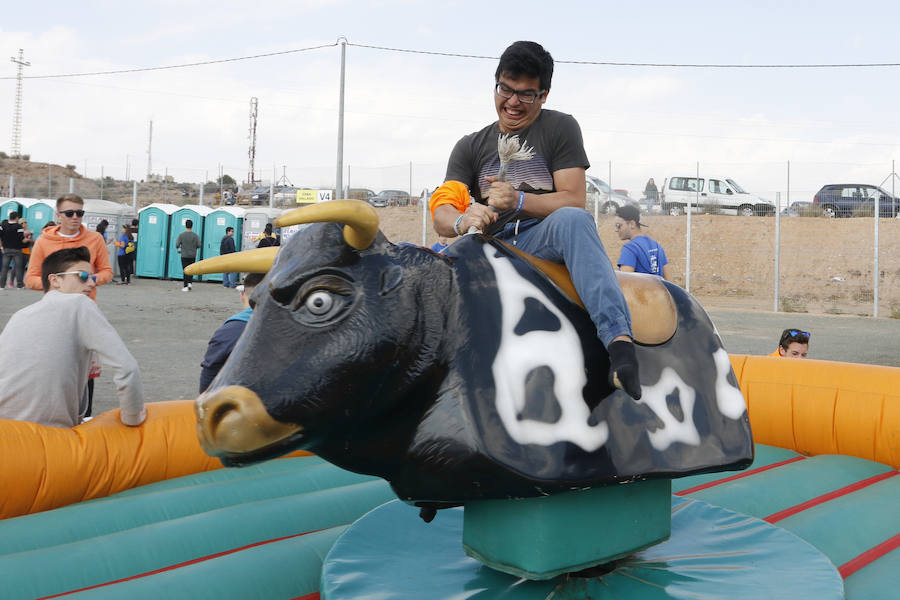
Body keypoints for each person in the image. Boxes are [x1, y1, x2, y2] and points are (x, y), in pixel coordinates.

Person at [429, 40, 641, 400]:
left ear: (544, 95)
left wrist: (520, 199)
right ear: (496, 84)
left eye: (526, 95)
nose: (512, 102)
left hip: (539, 237)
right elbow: (442, 214)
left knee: (574, 219)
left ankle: (620, 346)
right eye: (505, 90)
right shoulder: (470, 146)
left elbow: (574, 198)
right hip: (488, 248)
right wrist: (465, 220)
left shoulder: (559, 127)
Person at [0, 247, 146, 428]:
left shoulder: (20, 315)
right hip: (48, 438)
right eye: (82, 276)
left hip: (7, 434)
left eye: (93, 278)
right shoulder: (79, 303)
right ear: (55, 280)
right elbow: (127, 368)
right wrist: (133, 420)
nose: (92, 284)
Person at [25, 194, 113, 300]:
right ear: (58, 215)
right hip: (55, 305)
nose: (75, 217)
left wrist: (89, 279)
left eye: (79, 213)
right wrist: (61, 283)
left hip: (86, 304)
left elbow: (107, 272)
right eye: (69, 213)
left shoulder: (96, 239)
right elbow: (30, 279)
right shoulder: (43, 241)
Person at [199, 273, 264, 393]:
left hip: (239, 403)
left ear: (242, 295)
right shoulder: (296, 330)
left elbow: (209, 378)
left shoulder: (229, 331)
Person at [614, 204, 671, 281]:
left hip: (639, 293)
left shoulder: (630, 248)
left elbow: (624, 283)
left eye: (618, 225)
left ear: (632, 224)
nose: (616, 229)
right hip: (657, 292)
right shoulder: (656, 246)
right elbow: (669, 281)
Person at [0, 211, 26, 289]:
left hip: (6, 249)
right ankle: (19, 285)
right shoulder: (19, 227)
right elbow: (22, 239)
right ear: (17, 218)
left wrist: (1, 247)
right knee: (18, 267)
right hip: (17, 250)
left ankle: (2, 286)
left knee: (5, 268)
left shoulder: (3, 226)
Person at [175, 219, 201, 292]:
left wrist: (181, 248)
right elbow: (199, 245)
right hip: (192, 255)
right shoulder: (195, 236)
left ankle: (185, 286)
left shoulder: (181, 235)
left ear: (185, 225)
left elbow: (177, 245)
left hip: (184, 255)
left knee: (185, 270)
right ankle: (190, 283)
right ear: (192, 226)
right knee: (191, 269)